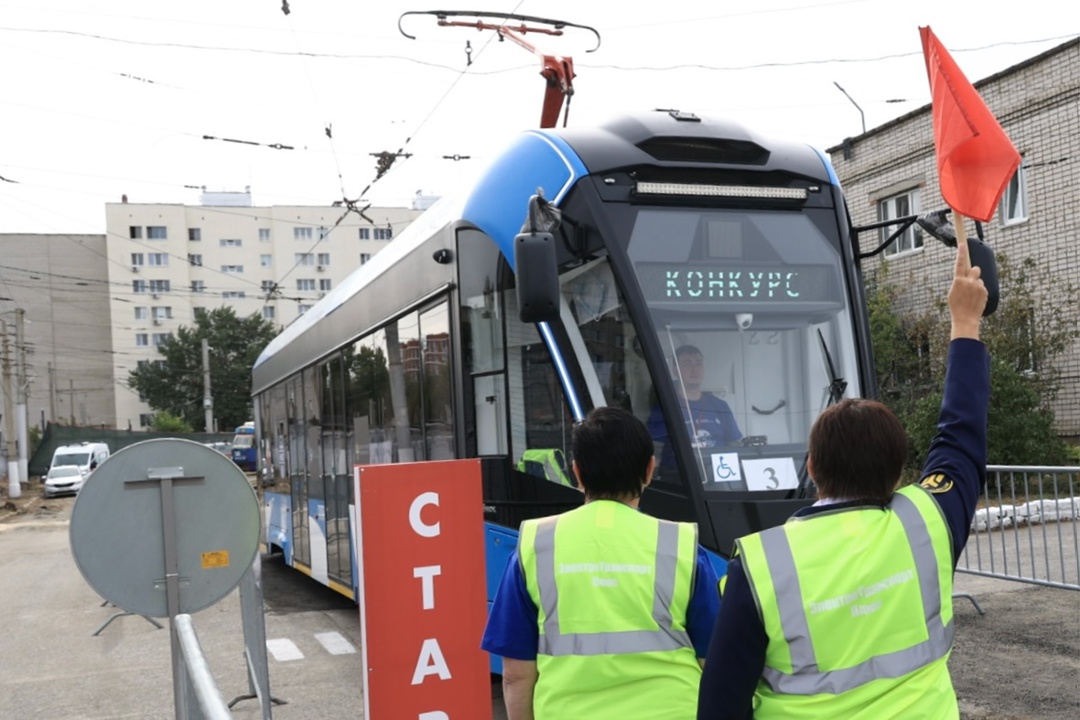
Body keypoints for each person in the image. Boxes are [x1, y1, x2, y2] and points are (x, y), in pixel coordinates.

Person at [697, 240, 990, 719]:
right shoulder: (927, 524)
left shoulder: (758, 566)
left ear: (811, 468)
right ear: (898, 471)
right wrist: (966, 322)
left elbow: (720, 708)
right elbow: (962, 435)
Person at [481, 406, 721, 720]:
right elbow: (713, 661)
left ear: (577, 472)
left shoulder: (535, 546)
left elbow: (516, 673)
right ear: (650, 470)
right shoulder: (682, 546)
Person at [648, 345, 742, 469]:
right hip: (681, 478)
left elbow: (735, 445)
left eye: (699, 364)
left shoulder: (720, 406)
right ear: (676, 371)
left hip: (719, 473)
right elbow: (655, 452)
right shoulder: (665, 408)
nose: (694, 369)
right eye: (687, 364)